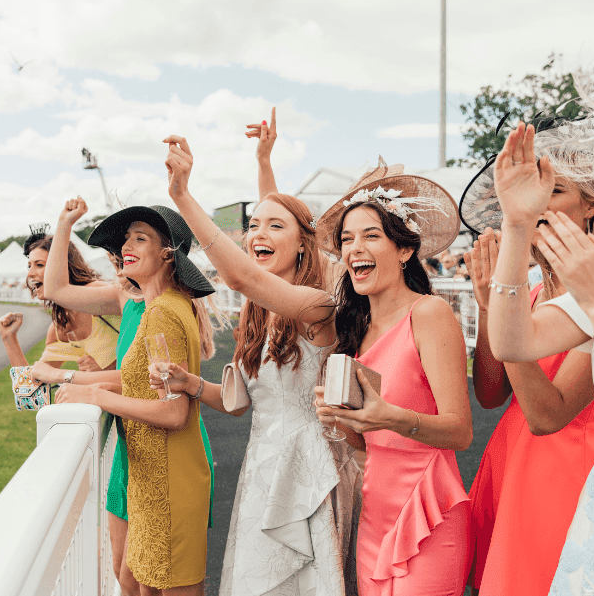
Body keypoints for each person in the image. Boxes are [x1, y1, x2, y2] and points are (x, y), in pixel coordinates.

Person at [160, 127, 362, 596]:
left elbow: (241, 275)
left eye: (274, 227)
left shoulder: (317, 307)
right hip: (262, 469)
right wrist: (190, 382)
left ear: (303, 245)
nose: (258, 235)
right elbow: (237, 404)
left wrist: (183, 196)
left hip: (311, 469)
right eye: (252, 226)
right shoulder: (257, 315)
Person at [459, 110, 594, 596]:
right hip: (514, 459)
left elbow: (548, 413)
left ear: (593, 205)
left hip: (568, 472)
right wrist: (490, 306)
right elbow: (490, 391)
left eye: (555, 191)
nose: (540, 202)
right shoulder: (540, 291)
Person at [38, 199, 216, 596]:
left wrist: (97, 396)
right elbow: (144, 384)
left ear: (168, 255)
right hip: (153, 471)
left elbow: (174, 414)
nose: (125, 248)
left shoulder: (163, 312)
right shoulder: (160, 306)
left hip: (170, 473)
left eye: (140, 238)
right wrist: (96, 387)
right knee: (142, 583)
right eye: (125, 240)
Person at [312, 159, 473, 596]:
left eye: (370, 235)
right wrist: (342, 420)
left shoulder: (429, 312)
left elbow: (460, 432)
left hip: (430, 512)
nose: (354, 248)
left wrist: (387, 416)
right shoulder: (356, 331)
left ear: (404, 250)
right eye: (347, 239)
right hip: (375, 512)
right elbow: (367, 445)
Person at [0, 225, 119, 373]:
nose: (30, 273)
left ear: (63, 267)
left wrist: (114, 364)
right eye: (29, 266)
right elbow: (33, 384)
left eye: (40, 265)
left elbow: (150, 338)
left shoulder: (98, 292)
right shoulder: (61, 325)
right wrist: (9, 338)